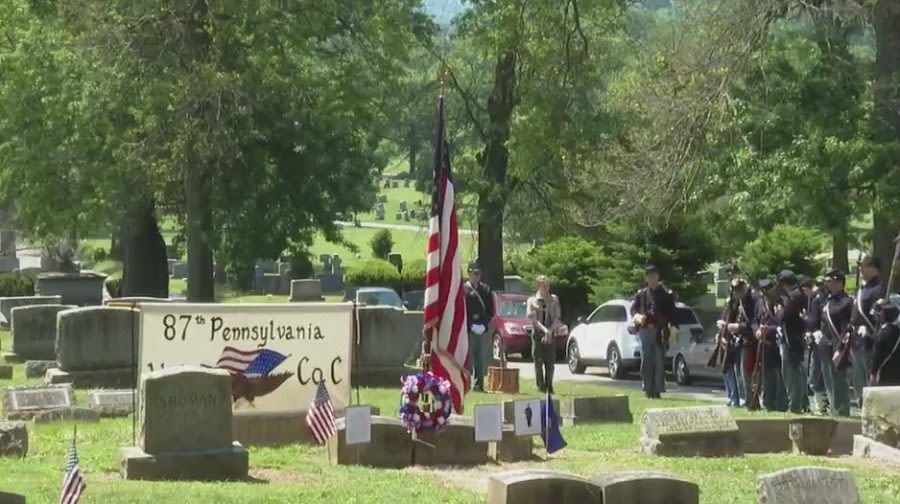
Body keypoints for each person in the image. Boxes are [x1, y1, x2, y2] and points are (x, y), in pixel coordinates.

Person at [630, 264, 677, 399]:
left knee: (658, 361)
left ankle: (657, 390)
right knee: (646, 361)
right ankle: (647, 389)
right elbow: (633, 309)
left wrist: (673, 328)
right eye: (649, 277)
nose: (652, 279)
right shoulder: (642, 294)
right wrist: (637, 316)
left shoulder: (666, 294)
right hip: (645, 330)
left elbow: (672, 313)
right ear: (646, 278)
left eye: (654, 276)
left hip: (659, 331)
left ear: (658, 277)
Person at [850, 255, 885, 407]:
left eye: (864, 266)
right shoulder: (862, 288)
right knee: (858, 379)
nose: (861, 269)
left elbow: (878, 314)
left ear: (874, 268)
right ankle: (861, 405)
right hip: (857, 340)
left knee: (869, 378)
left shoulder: (879, 289)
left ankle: (871, 407)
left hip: (870, 339)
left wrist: (870, 325)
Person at [715, 278, 755, 407]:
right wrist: (723, 332)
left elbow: (752, 323)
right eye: (735, 290)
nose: (737, 293)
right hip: (737, 341)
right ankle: (743, 399)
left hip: (748, 341)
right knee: (738, 372)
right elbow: (729, 317)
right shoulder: (737, 302)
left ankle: (748, 401)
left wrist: (737, 327)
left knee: (745, 373)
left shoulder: (751, 301)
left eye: (739, 289)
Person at [818, 268, 852, 417]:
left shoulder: (846, 302)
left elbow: (846, 329)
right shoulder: (828, 300)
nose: (827, 284)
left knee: (839, 382)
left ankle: (842, 411)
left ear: (839, 283)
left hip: (838, 346)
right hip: (826, 345)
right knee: (829, 381)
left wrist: (841, 349)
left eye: (830, 282)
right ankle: (834, 410)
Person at [775, 270, 807, 414]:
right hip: (789, 338)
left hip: (792, 340)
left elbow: (783, 317)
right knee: (789, 373)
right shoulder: (794, 296)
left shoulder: (795, 297)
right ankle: (795, 403)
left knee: (792, 374)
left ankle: (795, 405)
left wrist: (779, 310)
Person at [753, 278, 787, 412]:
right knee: (767, 376)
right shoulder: (759, 304)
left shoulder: (781, 303)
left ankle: (780, 403)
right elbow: (754, 320)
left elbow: (781, 323)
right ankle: (768, 403)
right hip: (765, 344)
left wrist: (769, 329)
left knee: (779, 375)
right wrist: (757, 330)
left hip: (778, 342)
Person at [527, 275, 562, 394]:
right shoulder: (532, 301)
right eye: (543, 285)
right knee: (538, 360)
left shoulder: (554, 299)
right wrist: (545, 331)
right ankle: (540, 385)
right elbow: (534, 320)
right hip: (538, 333)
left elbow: (557, 318)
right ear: (539, 286)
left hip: (551, 332)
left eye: (547, 285)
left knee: (550, 362)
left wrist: (550, 331)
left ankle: (549, 386)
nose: (546, 288)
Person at [463, 260, 494, 392]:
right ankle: (467, 383)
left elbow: (490, 309)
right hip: (468, 329)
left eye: (479, 273)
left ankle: (479, 384)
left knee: (480, 358)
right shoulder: (464, 290)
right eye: (474, 273)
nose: (477, 276)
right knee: (468, 357)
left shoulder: (485, 290)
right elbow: (462, 310)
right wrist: (470, 324)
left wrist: (485, 325)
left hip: (481, 328)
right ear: (469, 273)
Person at [801, 276, 829, 415]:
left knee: (815, 374)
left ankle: (821, 406)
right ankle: (822, 404)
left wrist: (805, 319)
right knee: (817, 373)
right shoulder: (821, 297)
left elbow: (814, 321)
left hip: (818, 339)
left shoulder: (816, 299)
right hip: (817, 339)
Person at [870, 297, 900, 386]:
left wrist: (873, 373)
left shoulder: (882, 334)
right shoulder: (897, 331)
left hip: (884, 377)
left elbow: (877, 357)